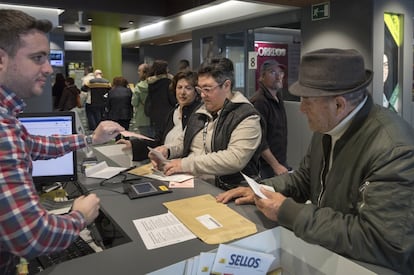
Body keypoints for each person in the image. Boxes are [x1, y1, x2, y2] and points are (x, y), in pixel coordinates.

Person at [216, 48, 414, 274]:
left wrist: (287, 211)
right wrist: (262, 189)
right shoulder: (329, 126)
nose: (301, 109)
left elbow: (381, 242)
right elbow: (305, 179)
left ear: (338, 105)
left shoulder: (393, 149)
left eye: (307, 102)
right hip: (330, 256)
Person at [0, 9, 125, 275]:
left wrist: (91, 138)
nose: (49, 68)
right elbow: (33, 237)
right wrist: (80, 216)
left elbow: (33, 145)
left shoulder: (8, 121)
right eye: (37, 58)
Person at [149, 57, 263, 190]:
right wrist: (167, 150)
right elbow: (185, 140)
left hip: (227, 190)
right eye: (200, 89)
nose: (202, 95)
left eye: (207, 89)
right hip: (193, 184)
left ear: (226, 85)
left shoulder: (246, 116)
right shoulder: (201, 110)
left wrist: (184, 164)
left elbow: (234, 158)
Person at [117, 70, 201, 161]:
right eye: (179, 87)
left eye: (188, 88)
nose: (182, 92)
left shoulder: (199, 115)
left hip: (183, 166)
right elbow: (158, 142)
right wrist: (133, 145)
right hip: (165, 163)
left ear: (197, 91)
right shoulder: (173, 113)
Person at [250, 59, 289, 178]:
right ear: (262, 77)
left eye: (280, 73)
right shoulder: (260, 101)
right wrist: (275, 165)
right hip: (265, 167)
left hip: (279, 162)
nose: (278, 77)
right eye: (272, 72)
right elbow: (259, 139)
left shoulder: (278, 97)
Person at [145, 60, 176, 136]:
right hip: (167, 114)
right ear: (164, 69)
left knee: (156, 136)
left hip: (154, 114)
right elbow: (172, 99)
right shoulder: (168, 82)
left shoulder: (150, 83)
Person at [131, 63, 152, 137]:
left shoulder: (139, 87)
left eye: (140, 71)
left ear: (145, 73)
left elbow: (134, 103)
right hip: (154, 118)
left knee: (145, 141)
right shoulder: (155, 85)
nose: (138, 73)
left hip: (142, 118)